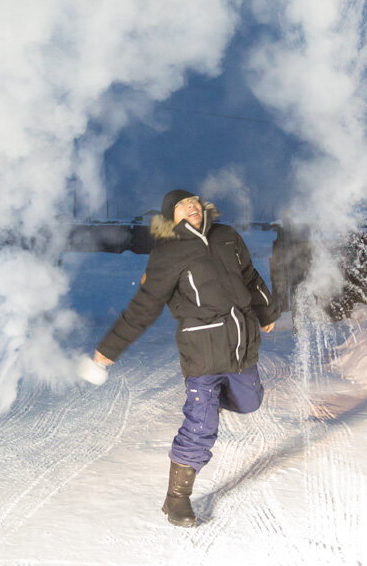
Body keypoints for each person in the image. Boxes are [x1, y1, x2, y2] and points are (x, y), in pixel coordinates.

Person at [89, 189, 280, 527]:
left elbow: (249, 276)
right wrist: (108, 350)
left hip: (241, 344)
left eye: (193, 200)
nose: (190, 205)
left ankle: (213, 401)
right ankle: (176, 499)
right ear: (171, 219)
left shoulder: (227, 236)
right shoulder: (168, 254)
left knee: (250, 402)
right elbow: (143, 307)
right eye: (180, 205)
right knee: (201, 425)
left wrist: (266, 310)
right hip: (202, 351)